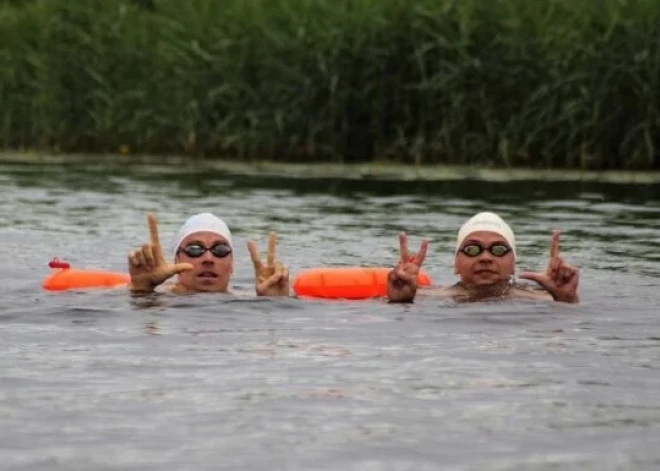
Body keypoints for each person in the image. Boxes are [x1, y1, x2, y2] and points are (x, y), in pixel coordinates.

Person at [386, 212, 580, 304]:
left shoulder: (546, 298)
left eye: (498, 250)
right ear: (456, 263)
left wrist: (566, 300)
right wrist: (400, 302)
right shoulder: (423, 296)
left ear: (513, 264)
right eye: (472, 250)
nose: (485, 257)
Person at [127, 212, 289, 296]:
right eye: (195, 249)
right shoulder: (163, 298)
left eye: (220, 250)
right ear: (176, 260)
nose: (208, 259)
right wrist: (141, 289)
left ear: (232, 264)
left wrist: (273, 303)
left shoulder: (244, 298)